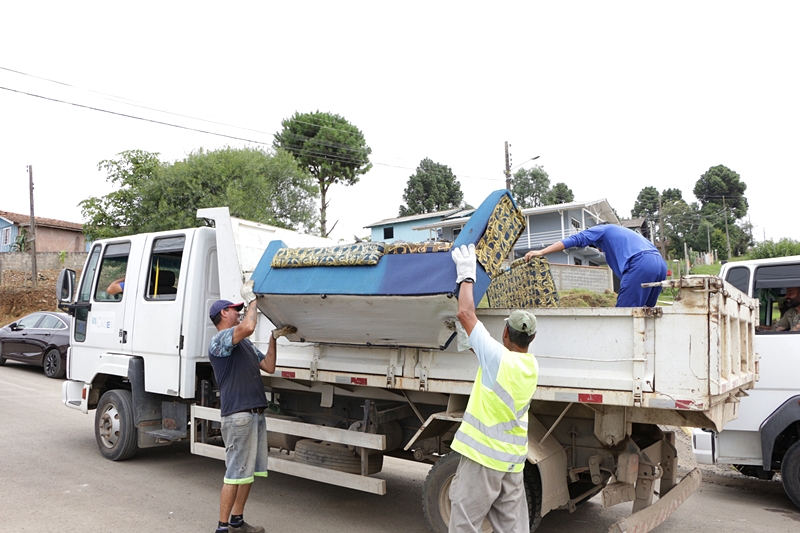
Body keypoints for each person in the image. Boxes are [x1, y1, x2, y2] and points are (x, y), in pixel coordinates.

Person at [448, 244, 539, 533]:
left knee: (463, 525)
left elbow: (465, 312)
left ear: (504, 333)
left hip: (483, 459)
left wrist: (466, 275)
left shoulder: (497, 358)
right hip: (512, 462)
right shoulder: (530, 366)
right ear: (531, 339)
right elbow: (486, 354)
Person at [208, 281, 295, 533]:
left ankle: (236, 522)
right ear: (223, 313)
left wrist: (273, 337)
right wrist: (253, 300)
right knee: (235, 473)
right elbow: (247, 325)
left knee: (248, 473)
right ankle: (222, 528)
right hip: (239, 417)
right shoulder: (220, 340)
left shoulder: (243, 345)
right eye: (235, 309)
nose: (239, 311)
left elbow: (268, 366)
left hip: (255, 414)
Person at [524, 224, 666, 307]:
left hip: (641, 264)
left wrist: (542, 251)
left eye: (599, 248)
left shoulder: (601, 230)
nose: (600, 251)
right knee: (647, 312)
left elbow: (575, 239)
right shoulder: (625, 234)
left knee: (624, 317)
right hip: (660, 264)